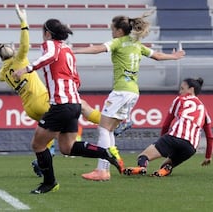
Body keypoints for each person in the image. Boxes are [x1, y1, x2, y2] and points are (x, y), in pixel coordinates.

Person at [0, 5, 103, 177]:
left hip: (29, 108)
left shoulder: (3, 73)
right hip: (42, 100)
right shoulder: (19, 60)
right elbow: (25, 43)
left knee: (49, 134)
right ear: (11, 53)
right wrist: (24, 22)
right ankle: (108, 125)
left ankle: (42, 161)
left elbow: (1, 76)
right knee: (79, 104)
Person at [13, 18, 124, 194]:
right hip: (74, 103)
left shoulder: (50, 45)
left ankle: (49, 182)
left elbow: (49, 56)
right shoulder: (68, 50)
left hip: (60, 104)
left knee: (37, 144)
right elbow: (76, 79)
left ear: (48, 33)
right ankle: (104, 152)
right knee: (67, 147)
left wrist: (26, 69)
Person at [73, 11, 186, 181]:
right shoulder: (137, 44)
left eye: (113, 29)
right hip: (133, 92)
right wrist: (175, 56)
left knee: (103, 128)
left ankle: (102, 170)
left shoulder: (118, 42)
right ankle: (104, 168)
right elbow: (157, 56)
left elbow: (98, 49)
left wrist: (74, 51)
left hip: (121, 91)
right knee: (109, 129)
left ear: (119, 30)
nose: (111, 32)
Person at [123, 77, 213, 176]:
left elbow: (167, 123)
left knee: (143, 156)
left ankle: (142, 167)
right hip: (190, 147)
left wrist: (162, 140)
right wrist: (208, 156)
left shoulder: (180, 100)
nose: (180, 91)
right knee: (166, 166)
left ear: (191, 90)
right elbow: (209, 136)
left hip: (174, 137)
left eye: (182, 89)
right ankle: (163, 171)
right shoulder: (204, 110)